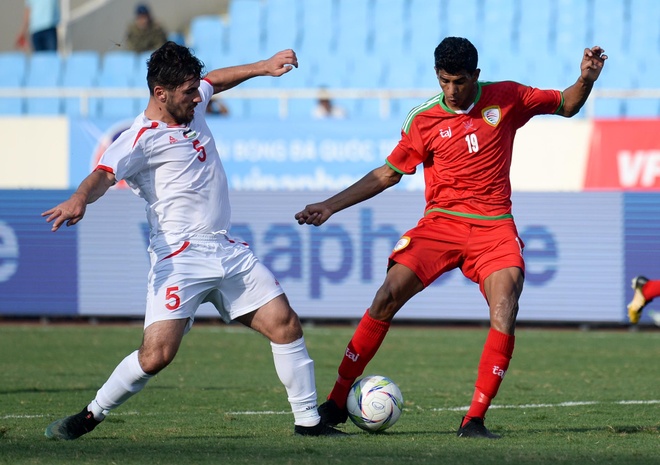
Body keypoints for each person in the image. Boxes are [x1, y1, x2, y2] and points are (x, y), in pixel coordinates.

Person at [295, 37, 607, 439]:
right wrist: (330, 206)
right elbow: (388, 173)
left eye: (459, 82)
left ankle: (473, 420)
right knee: (387, 294)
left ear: (475, 76)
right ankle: (337, 401)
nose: (452, 91)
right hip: (440, 223)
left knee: (506, 303)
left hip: (494, 226)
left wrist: (585, 79)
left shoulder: (507, 97)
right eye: (444, 81)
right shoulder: (423, 119)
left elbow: (567, 104)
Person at [42, 41, 345, 440]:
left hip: (225, 249)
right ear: (160, 94)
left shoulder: (190, 102)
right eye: (188, 92)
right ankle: (91, 414)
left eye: (195, 89)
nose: (198, 96)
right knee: (156, 356)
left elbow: (213, 81)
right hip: (180, 258)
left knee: (285, 325)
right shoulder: (140, 139)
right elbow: (103, 174)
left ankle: (309, 423)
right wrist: (80, 197)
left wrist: (263, 66)